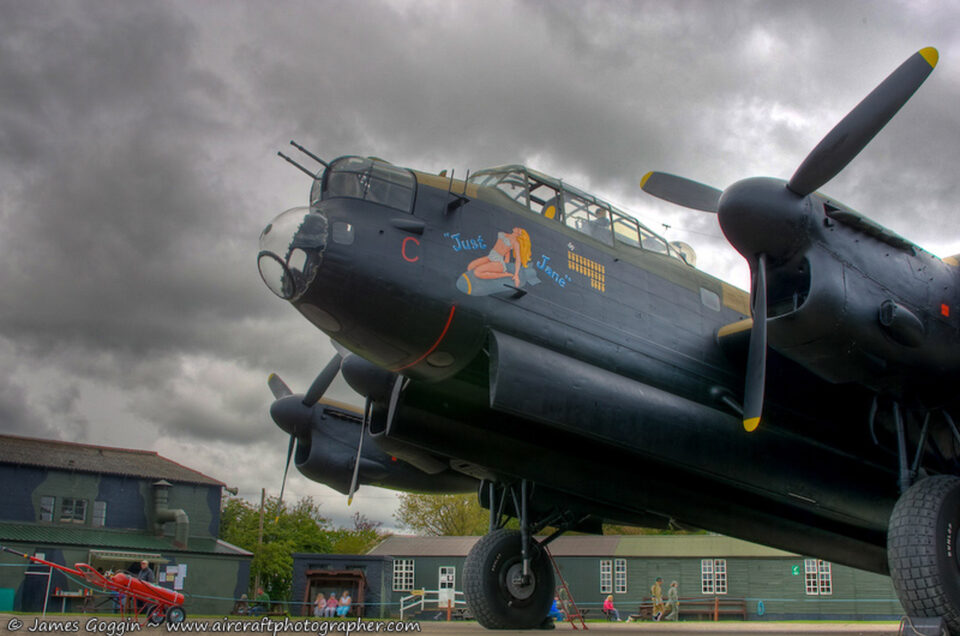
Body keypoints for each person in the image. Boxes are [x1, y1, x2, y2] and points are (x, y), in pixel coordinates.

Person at [466, 227, 532, 288]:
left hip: (498, 261)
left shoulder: (515, 243)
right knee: (470, 267)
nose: (517, 228)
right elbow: (507, 251)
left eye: (519, 229)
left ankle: (505, 275)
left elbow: (518, 260)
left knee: (477, 272)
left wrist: (516, 275)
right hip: (490, 256)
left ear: (520, 234)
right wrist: (507, 260)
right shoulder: (503, 234)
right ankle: (499, 274)